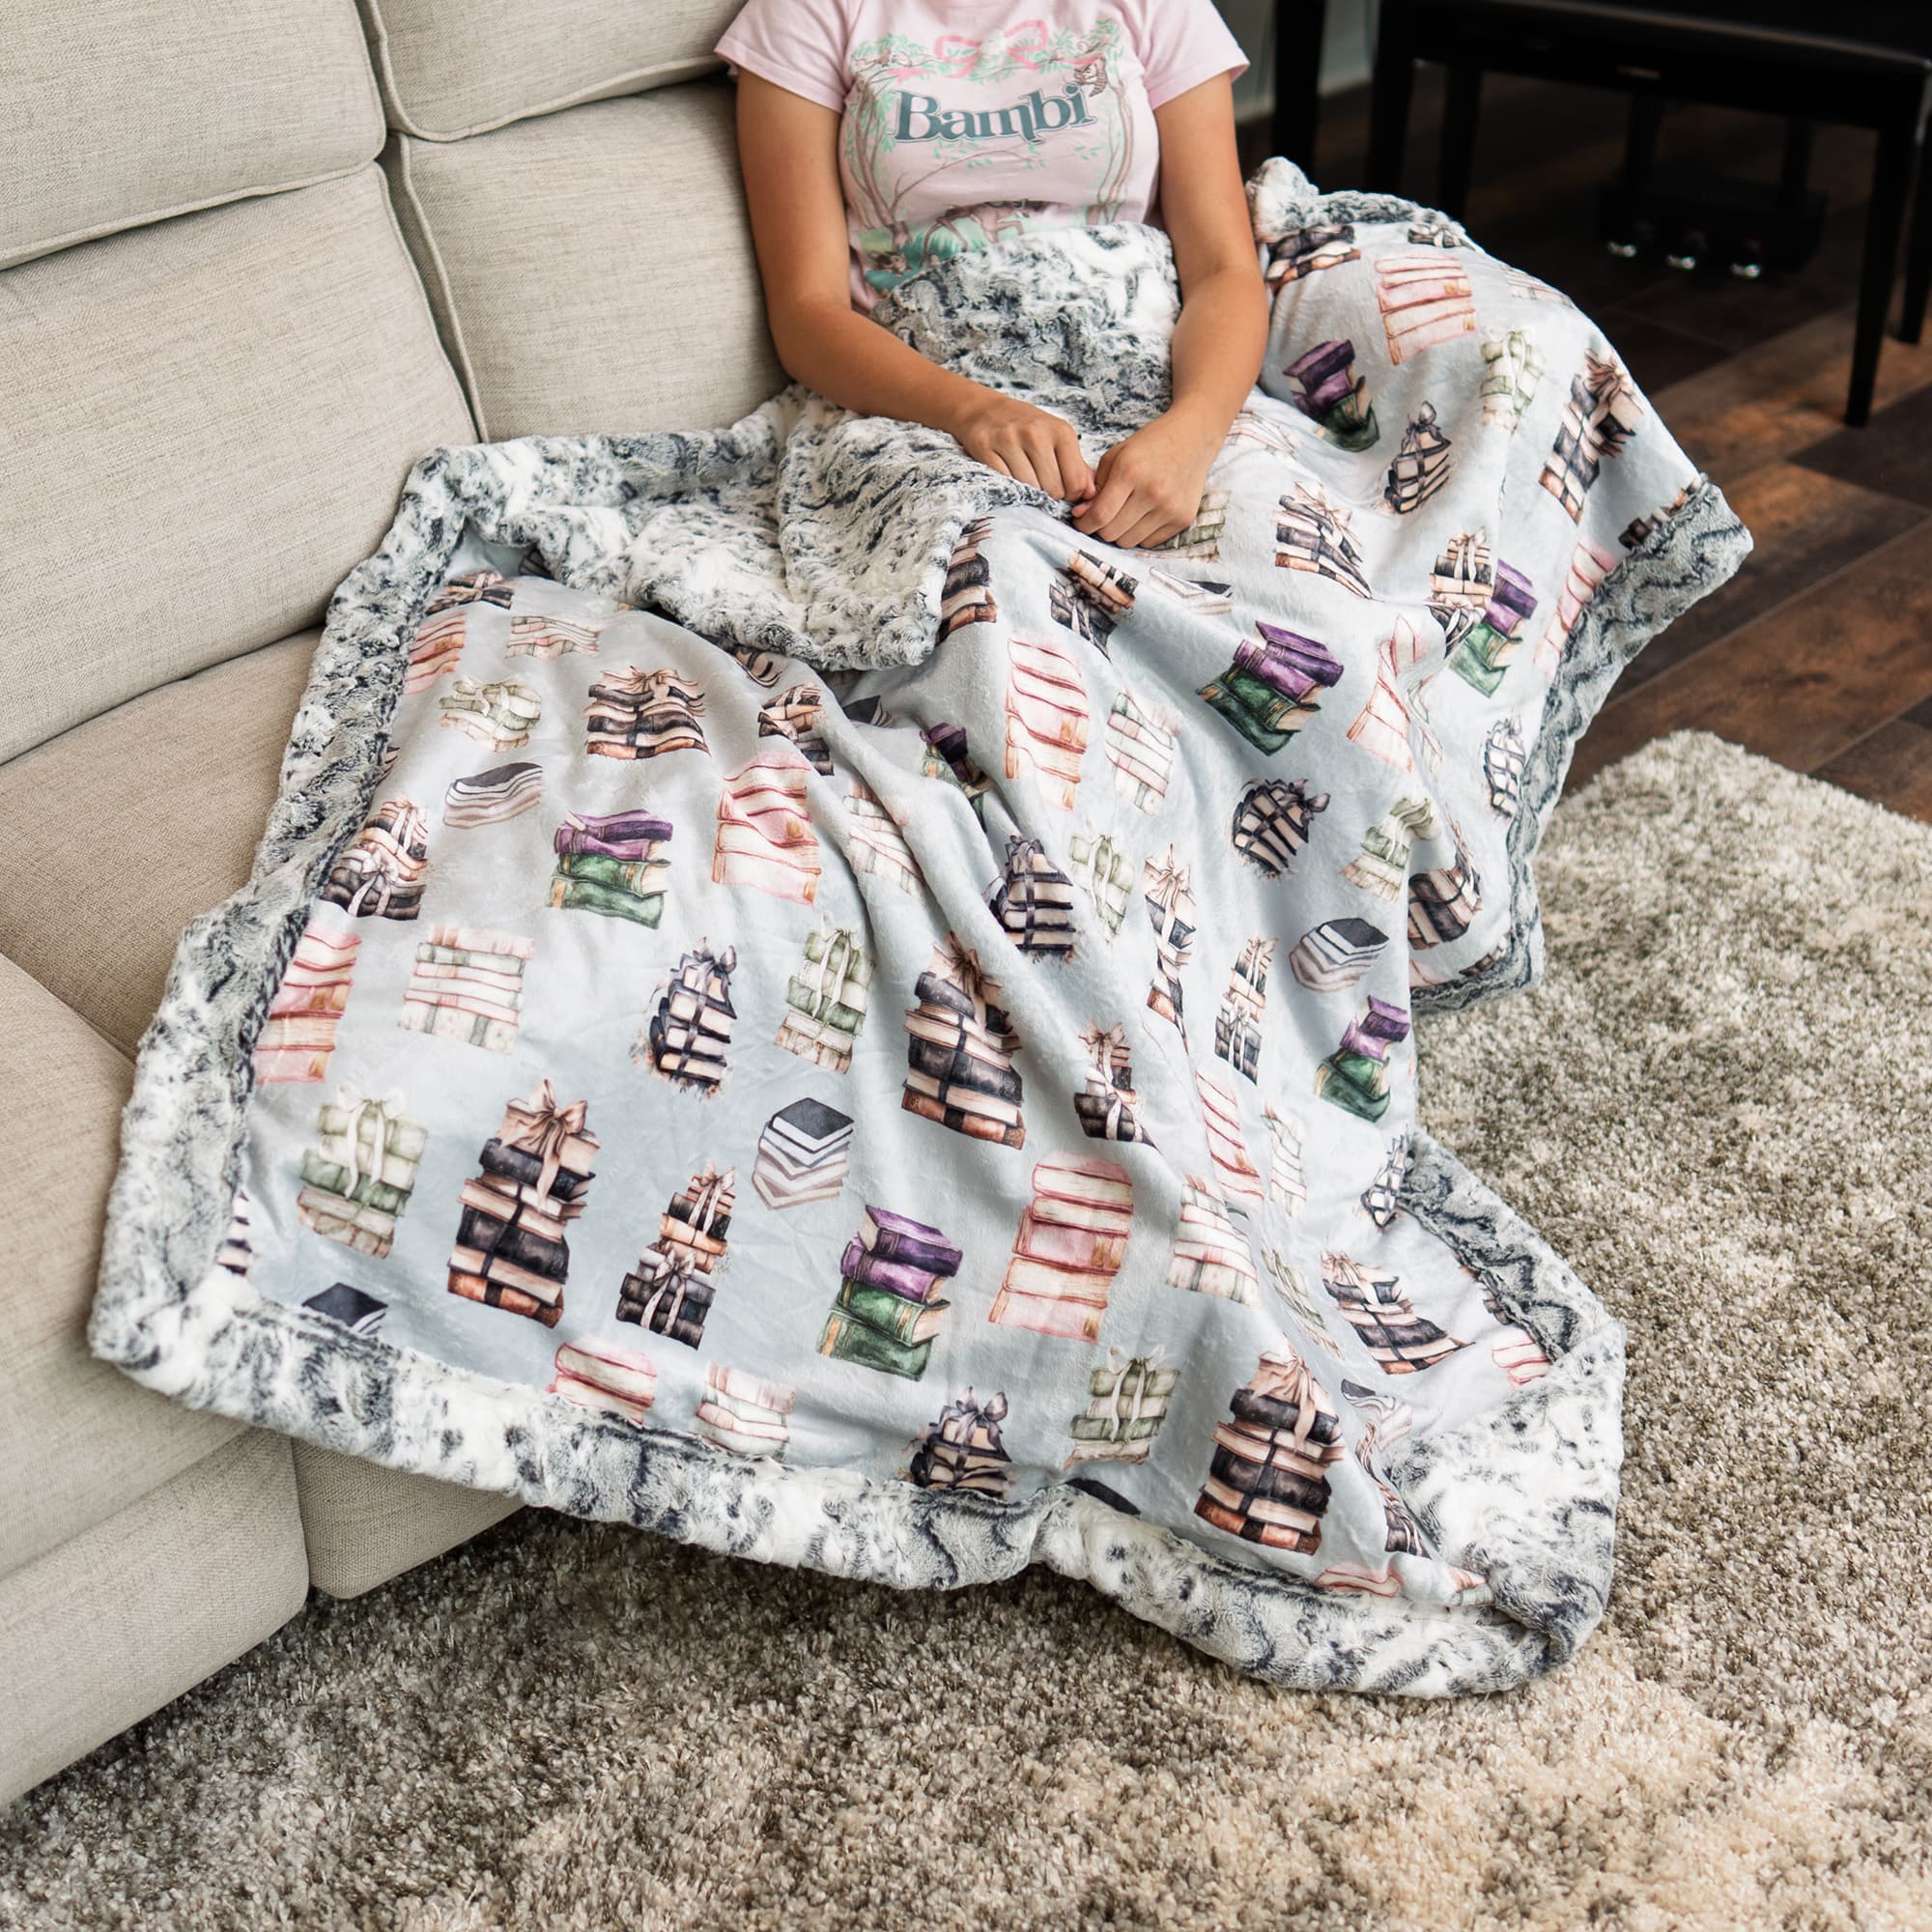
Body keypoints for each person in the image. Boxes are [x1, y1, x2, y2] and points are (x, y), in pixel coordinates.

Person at [717, 2, 1268, 552]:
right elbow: (807, 312)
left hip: (1158, 377)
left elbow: (1222, 268)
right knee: (995, 570)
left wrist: (1193, 433)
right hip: (933, 395)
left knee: (1260, 545)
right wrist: (975, 413)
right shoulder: (808, 12)